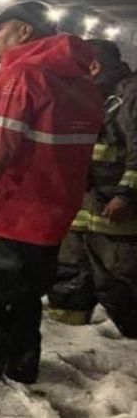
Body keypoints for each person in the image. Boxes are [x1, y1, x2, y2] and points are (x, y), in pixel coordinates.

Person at [0, 1, 104, 384]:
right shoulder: (81, 84)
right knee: (26, 300)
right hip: (49, 218)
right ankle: (21, 370)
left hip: (3, 212)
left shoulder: (23, 76)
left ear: (25, 31)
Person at [48, 40, 137, 337]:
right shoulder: (90, 94)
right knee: (69, 276)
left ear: (94, 66)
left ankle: (129, 349)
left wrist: (126, 194)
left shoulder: (130, 94)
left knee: (119, 281)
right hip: (81, 207)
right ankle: (69, 338)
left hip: (115, 211)